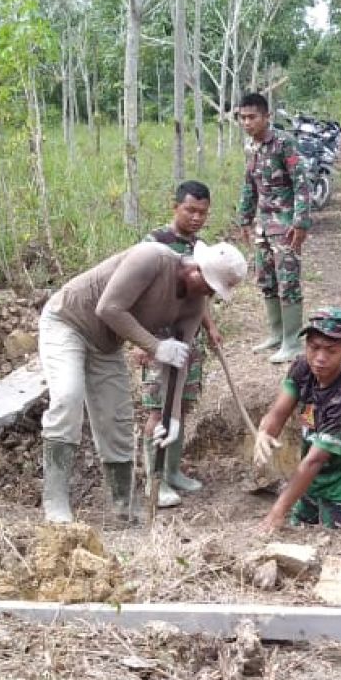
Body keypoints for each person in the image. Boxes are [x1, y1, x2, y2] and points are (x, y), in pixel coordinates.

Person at [37, 238, 247, 524]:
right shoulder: (152, 259)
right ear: (196, 270)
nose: (209, 295)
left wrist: (171, 418)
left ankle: (123, 505)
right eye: (210, 287)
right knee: (68, 397)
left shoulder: (194, 304)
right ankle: (56, 500)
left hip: (106, 345)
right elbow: (108, 308)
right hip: (68, 321)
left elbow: (179, 362)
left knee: (117, 419)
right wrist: (156, 347)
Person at [135, 180, 225, 508]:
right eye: (190, 210)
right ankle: (153, 480)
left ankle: (172, 471)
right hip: (157, 338)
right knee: (159, 409)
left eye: (203, 212)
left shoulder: (201, 248)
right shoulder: (154, 243)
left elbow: (202, 294)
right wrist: (140, 342)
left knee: (181, 406)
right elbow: (136, 293)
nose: (197, 217)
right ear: (175, 207)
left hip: (189, 339)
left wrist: (211, 327)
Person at [253, 307, 341, 533]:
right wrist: (265, 431)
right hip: (312, 483)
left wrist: (277, 511)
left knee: (338, 546)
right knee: (297, 533)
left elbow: (314, 460)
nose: (320, 358)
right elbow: (280, 410)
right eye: (314, 347)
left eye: (331, 350)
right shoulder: (303, 366)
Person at [235, 92, 312, 365]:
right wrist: (244, 218)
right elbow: (249, 183)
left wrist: (301, 221)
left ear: (267, 116)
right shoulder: (250, 146)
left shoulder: (284, 143)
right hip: (263, 225)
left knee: (288, 281)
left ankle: (292, 342)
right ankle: (277, 335)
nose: (246, 122)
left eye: (252, 117)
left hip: (285, 224)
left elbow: (302, 183)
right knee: (266, 279)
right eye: (242, 117)